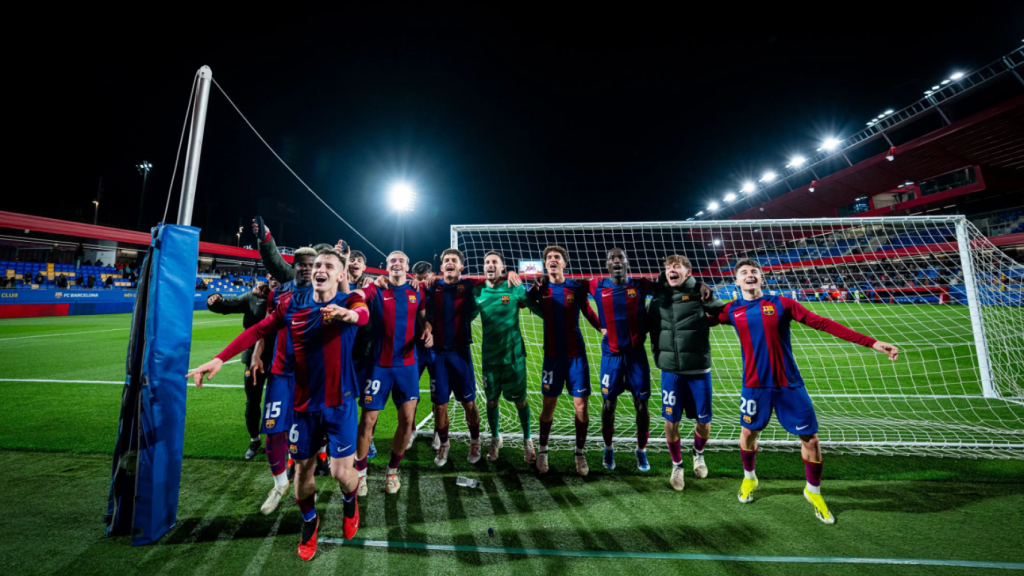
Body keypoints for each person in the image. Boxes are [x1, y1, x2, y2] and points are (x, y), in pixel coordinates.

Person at [188, 248, 367, 561]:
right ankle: (310, 523)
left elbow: (361, 313)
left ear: (341, 275)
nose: (320, 268)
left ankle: (350, 502)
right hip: (304, 406)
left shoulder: (349, 299)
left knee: (341, 473)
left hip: (341, 403)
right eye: (317, 264)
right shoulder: (289, 304)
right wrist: (219, 359)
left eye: (329, 265)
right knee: (302, 474)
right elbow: (257, 330)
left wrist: (348, 315)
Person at [710, 259, 898, 524]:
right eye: (744, 273)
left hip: (789, 384)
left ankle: (813, 491)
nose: (750, 275)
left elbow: (821, 323)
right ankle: (749, 477)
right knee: (748, 433)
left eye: (754, 272)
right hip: (753, 385)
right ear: (737, 282)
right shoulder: (731, 310)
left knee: (810, 439)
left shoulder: (782, 304)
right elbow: (693, 322)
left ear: (762, 279)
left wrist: (872, 342)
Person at [424, 248, 520, 466]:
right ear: (441, 267)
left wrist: (510, 273)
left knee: (469, 403)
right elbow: (418, 301)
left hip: (460, 354)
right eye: (446, 260)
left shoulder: (468, 285)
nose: (450, 262)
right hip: (437, 354)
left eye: (454, 261)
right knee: (440, 406)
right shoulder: (432, 287)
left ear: (461, 267)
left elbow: (492, 276)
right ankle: (444, 445)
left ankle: (475, 441)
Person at [253, 219, 332, 478]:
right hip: (284, 368)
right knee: (280, 422)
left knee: (315, 418)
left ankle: (321, 453)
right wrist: (265, 239)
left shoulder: (330, 288)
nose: (311, 269)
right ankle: (287, 465)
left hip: (316, 370)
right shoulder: (285, 289)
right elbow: (274, 261)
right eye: (306, 264)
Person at [352, 251, 432, 495]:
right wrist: (366, 283)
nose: (396, 264)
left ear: (407, 266)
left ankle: (392, 472)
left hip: (407, 365)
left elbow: (424, 320)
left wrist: (428, 330)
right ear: (386, 267)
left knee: (407, 420)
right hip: (379, 365)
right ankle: (361, 473)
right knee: (368, 420)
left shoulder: (416, 291)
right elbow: (353, 296)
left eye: (401, 261)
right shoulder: (376, 289)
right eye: (392, 261)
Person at [525, 245, 603, 476]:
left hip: (576, 356)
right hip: (552, 357)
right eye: (549, 258)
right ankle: (543, 451)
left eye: (557, 257)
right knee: (548, 405)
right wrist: (530, 288)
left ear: (564, 263)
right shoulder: (541, 287)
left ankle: (579, 454)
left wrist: (601, 328)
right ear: (545, 263)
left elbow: (587, 310)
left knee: (581, 407)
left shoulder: (576, 286)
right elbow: (522, 301)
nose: (552, 260)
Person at [647, 255, 722, 490]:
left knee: (704, 419)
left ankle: (698, 453)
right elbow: (647, 323)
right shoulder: (658, 296)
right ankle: (677, 464)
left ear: (687, 272)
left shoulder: (700, 293)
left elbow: (722, 311)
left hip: (699, 368)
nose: (671, 270)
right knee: (671, 419)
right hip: (670, 370)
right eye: (668, 267)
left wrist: (709, 321)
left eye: (676, 266)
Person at [590, 248, 659, 472]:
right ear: (607, 264)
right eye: (612, 258)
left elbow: (669, 287)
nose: (617, 261)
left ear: (627, 262)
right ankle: (608, 448)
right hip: (611, 357)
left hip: (636, 356)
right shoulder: (596, 286)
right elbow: (572, 294)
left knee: (642, 406)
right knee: (609, 404)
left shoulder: (640, 285)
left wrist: (700, 285)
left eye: (620, 257)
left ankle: (641, 450)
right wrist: (597, 324)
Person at [473, 251, 540, 464]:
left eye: (495, 262)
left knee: (520, 401)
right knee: (491, 401)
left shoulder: (513, 287)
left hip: (514, 357)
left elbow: (534, 304)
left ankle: (528, 440)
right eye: (487, 262)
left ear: (503, 268)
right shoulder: (478, 291)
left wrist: (539, 288)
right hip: (489, 359)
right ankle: (495, 438)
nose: (490, 265)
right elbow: (462, 314)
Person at [206, 276, 280, 460]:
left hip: (282, 357)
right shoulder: (252, 296)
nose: (275, 277)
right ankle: (255, 440)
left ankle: (281, 442)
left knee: (281, 402)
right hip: (254, 357)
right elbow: (227, 305)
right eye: (272, 274)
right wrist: (215, 299)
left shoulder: (290, 296)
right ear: (268, 276)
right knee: (252, 402)